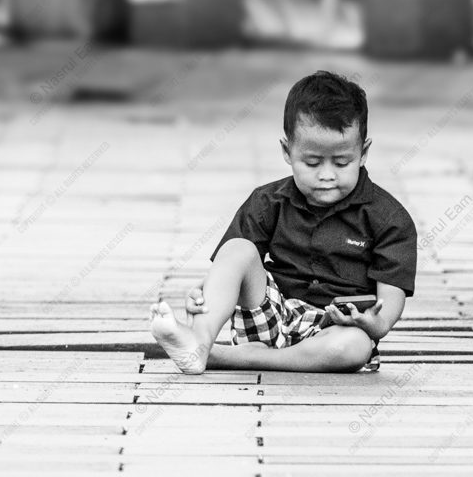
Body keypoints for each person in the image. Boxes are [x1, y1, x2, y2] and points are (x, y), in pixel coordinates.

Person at [150, 71, 417, 374]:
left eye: (342, 163)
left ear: (363, 153)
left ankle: (219, 356)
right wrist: (203, 296)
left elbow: (389, 302)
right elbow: (230, 266)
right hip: (270, 315)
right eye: (312, 163)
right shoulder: (268, 202)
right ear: (287, 152)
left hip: (333, 329)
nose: (327, 175)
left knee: (355, 347)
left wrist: (374, 323)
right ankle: (200, 338)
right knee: (239, 247)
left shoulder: (389, 219)